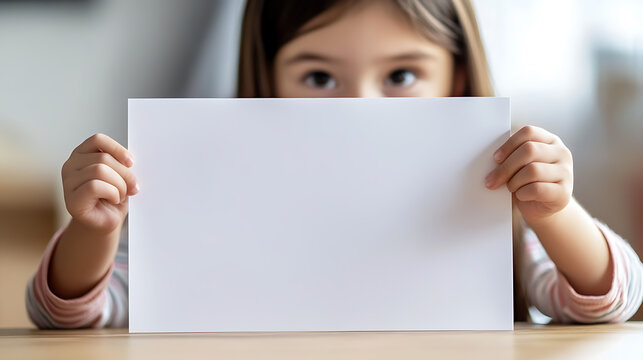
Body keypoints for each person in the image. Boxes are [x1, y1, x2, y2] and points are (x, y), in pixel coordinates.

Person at [26, 0, 642, 328]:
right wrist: (94, 229)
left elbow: (609, 300)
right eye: (319, 76)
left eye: (401, 75)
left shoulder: (475, 206)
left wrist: (556, 211)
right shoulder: (212, 209)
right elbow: (69, 310)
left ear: (455, 78)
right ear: (267, 79)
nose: (358, 106)